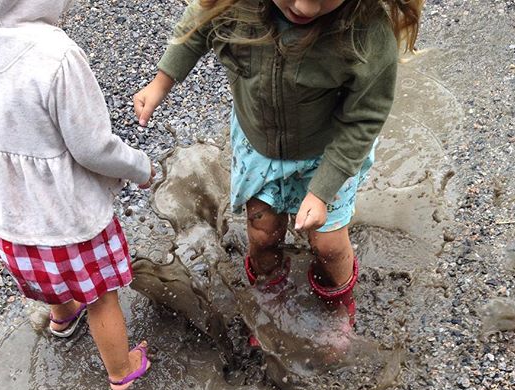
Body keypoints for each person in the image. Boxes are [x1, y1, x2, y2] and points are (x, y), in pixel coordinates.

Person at [134, 0, 422, 342]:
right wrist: (162, 81)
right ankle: (268, 301)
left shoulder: (367, 32)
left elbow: (365, 118)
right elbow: (199, 21)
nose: (305, 8)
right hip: (260, 148)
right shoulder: (234, 4)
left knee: (328, 244)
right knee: (263, 234)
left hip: (327, 153)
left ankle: (338, 305)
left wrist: (321, 191)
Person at [0, 0, 154, 390]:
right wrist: (140, 167)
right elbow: (93, 148)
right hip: (66, 212)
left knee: (47, 268)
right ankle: (122, 370)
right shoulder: (56, 56)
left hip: (5, 202)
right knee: (100, 295)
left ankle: (63, 317)